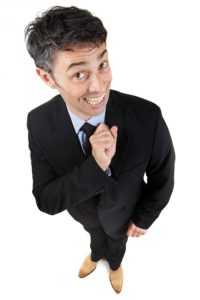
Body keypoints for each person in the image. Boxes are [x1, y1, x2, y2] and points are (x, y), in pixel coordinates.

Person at [25, 6, 175, 294]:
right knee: (95, 238)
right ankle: (96, 255)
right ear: (47, 78)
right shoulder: (38, 121)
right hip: (84, 215)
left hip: (125, 217)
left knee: (117, 245)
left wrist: (144, 218)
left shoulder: (148, 116)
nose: (98, 86)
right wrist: (94, 166)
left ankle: (115, 265)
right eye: (79, 74)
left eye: (102, 65)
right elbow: (46, 198)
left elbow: (163, 177)